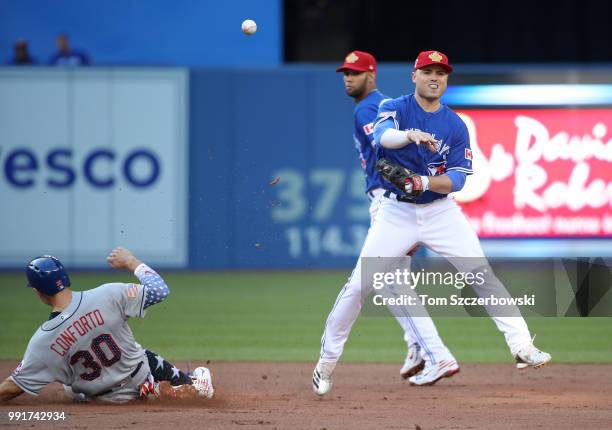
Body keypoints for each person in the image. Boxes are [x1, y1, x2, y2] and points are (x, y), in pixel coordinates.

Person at [312, 50, 551, 395]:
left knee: (481, 275)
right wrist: (409, 136)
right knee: (359, 287)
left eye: (441, 72)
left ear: (446, 79)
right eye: (427, 71)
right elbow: (382, 138)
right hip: (396, 213)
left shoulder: (455, 124)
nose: (434, 77)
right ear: (414, 76)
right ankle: (326, 364)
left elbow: (457, 180)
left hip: (441, 212)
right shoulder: (394, 107)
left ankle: (522, 346)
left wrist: (423, 182)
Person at [0, 247, 213, 403]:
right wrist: (131, 261)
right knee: (137, 353)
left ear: (37, 291)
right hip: (138, 374)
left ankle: (169, 386)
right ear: (65, 278)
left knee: (67, 384)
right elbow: (159, 290)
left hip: (107, 400)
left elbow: (12, 387)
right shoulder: (108, 294)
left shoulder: (42, 341)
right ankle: (185, 385)